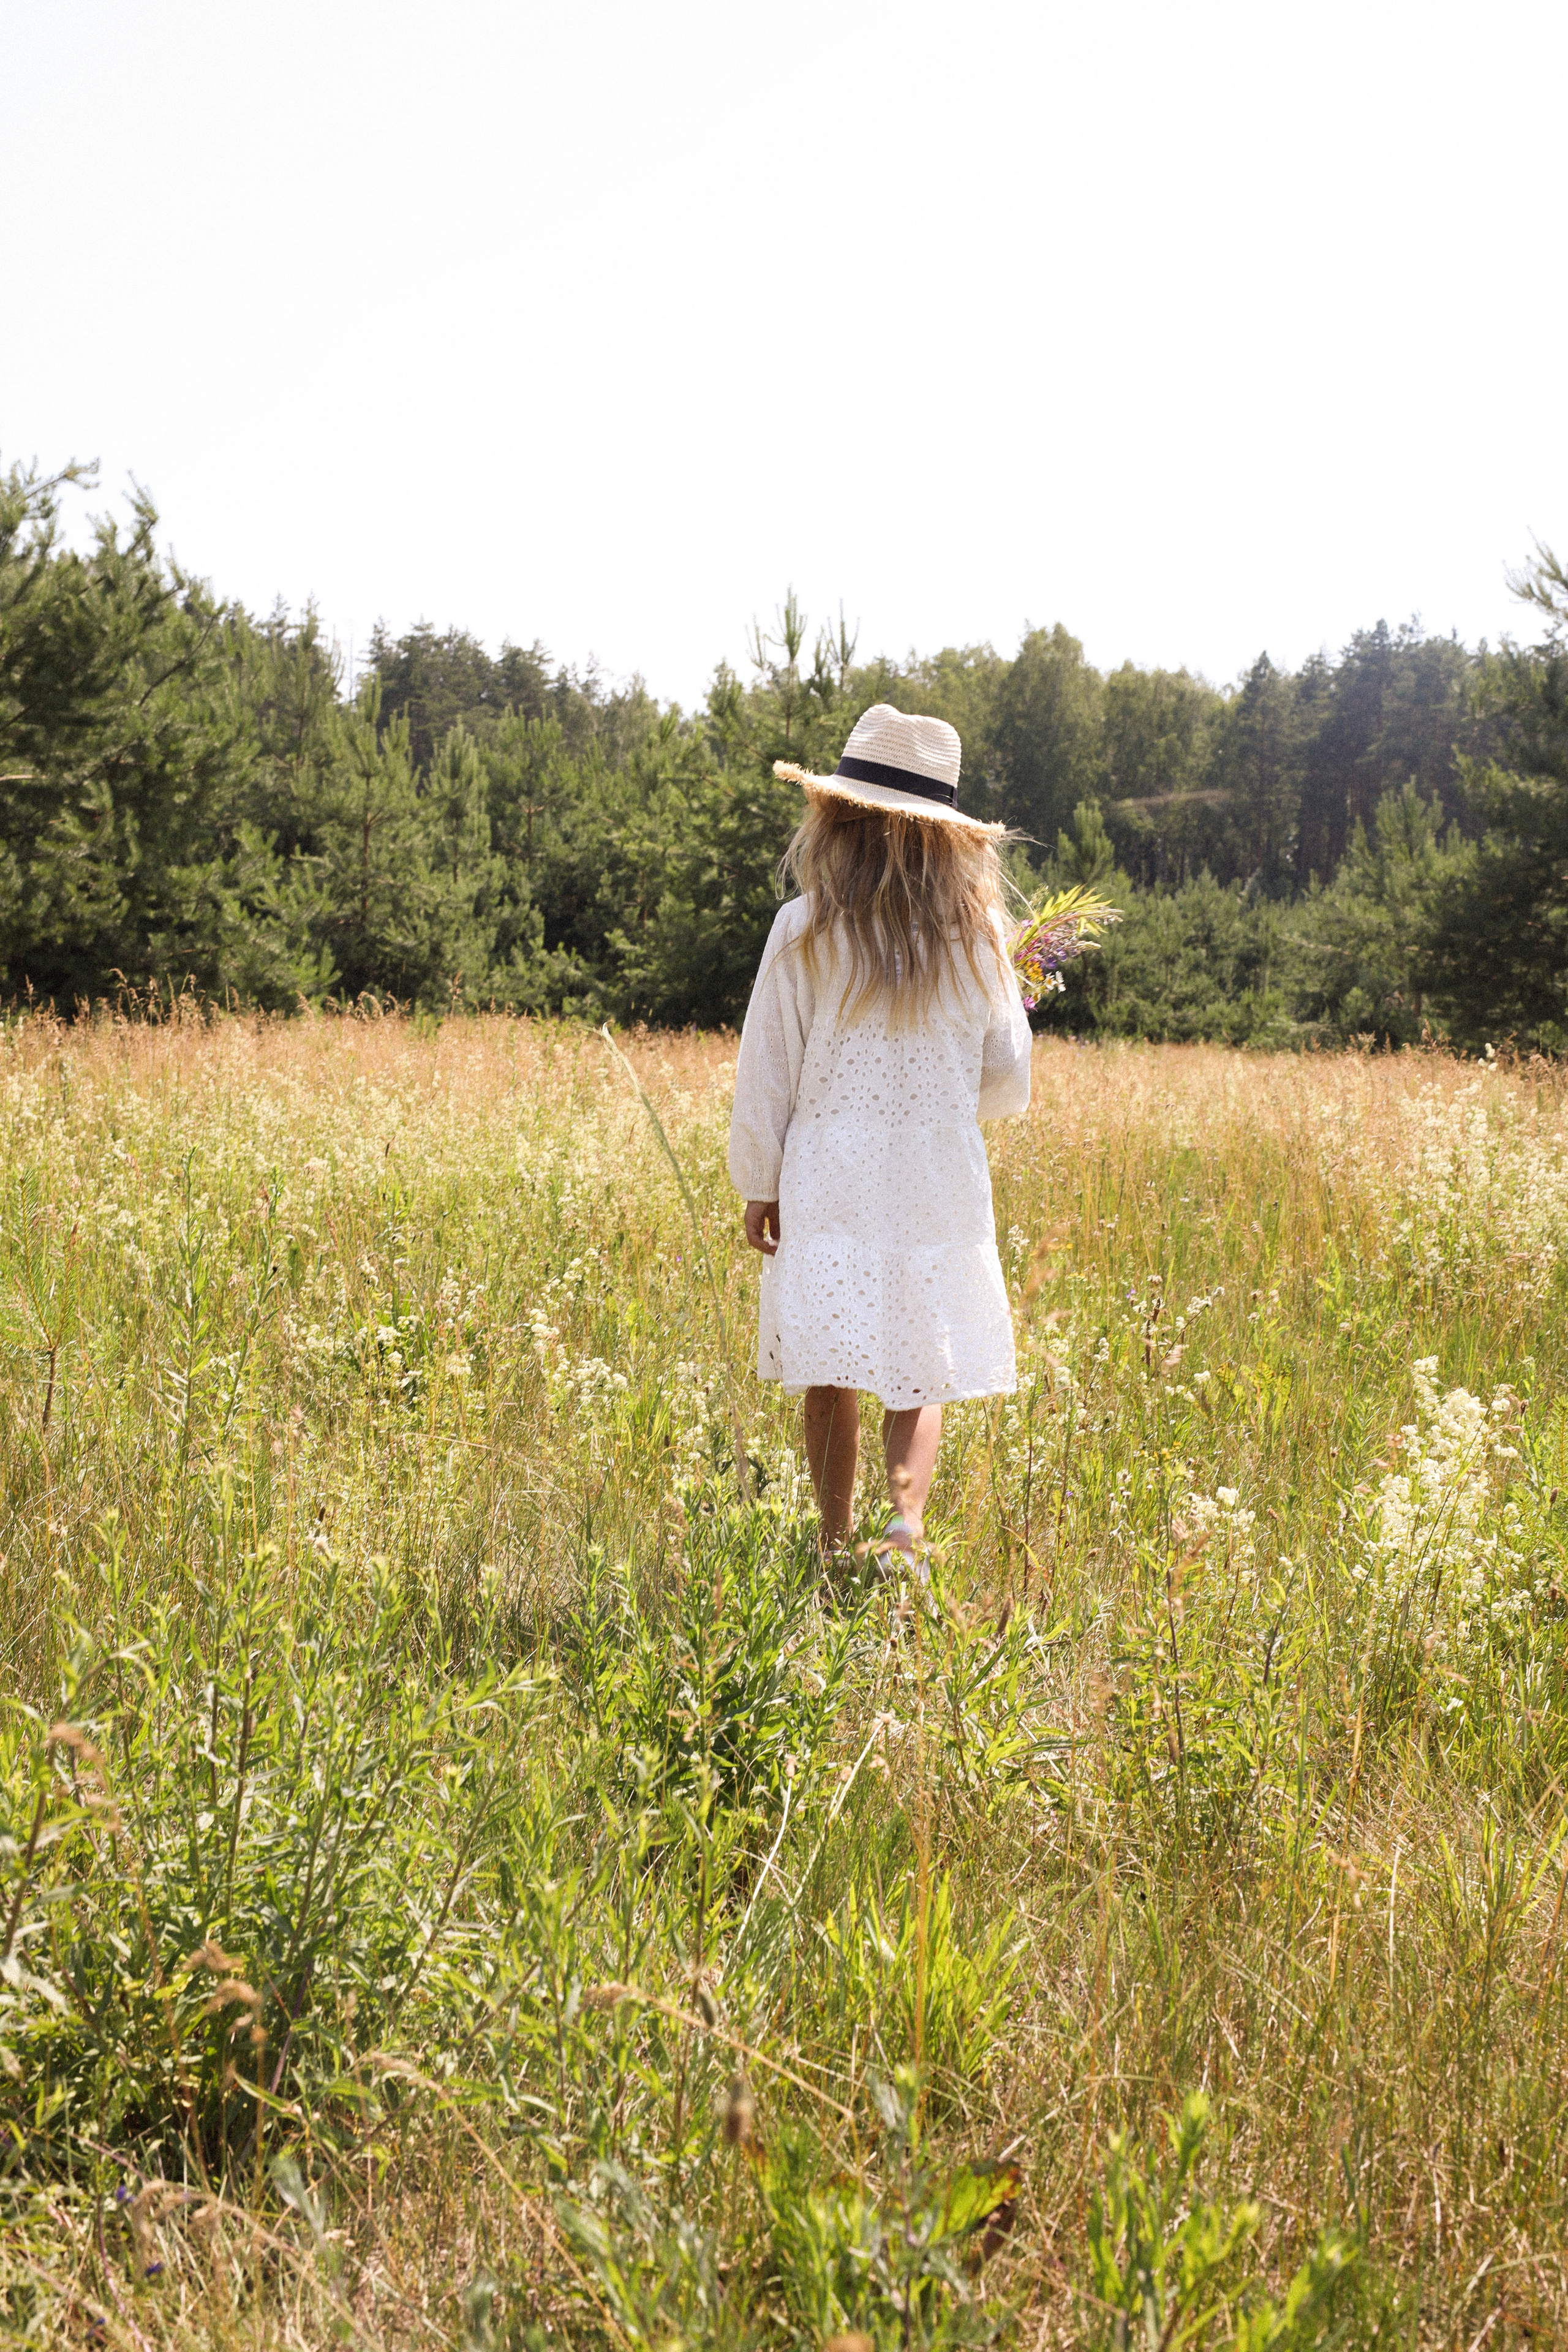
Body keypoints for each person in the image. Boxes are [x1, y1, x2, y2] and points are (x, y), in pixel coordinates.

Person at [728, 704, 1033, 1566]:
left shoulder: (804, 929)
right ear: (948, 840)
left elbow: (769, 1069)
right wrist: (939, 1099)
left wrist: (760, 1179)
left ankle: (831, 1545)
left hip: (830, 1169)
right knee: (919, 1358)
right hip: (935, 1166)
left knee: (831, 1360)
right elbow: (1007, 1076)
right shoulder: (978, 940)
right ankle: (903, 1539)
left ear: (839, 819)